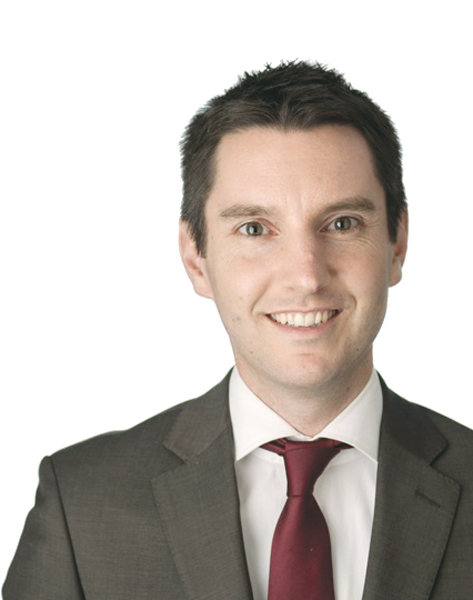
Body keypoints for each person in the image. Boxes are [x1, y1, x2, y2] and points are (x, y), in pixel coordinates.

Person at [3, 61, 473, 600]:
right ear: (196, 258)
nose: (306, 276)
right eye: (255, 229)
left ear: (397, 244)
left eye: (342, 224)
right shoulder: (82, 507)